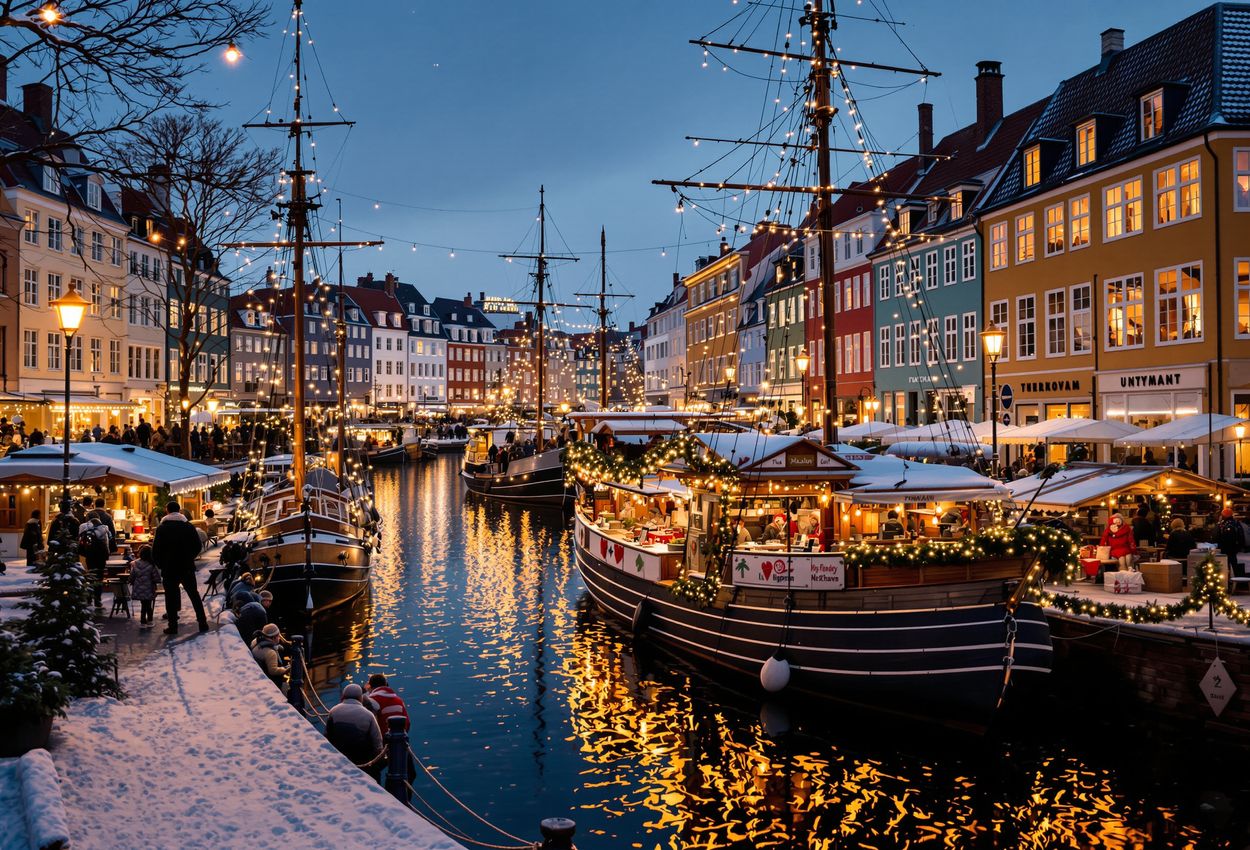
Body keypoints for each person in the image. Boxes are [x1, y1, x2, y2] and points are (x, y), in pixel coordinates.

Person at [151, 500, 208, 634]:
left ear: (167, 510)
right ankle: (202, 622)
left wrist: (161, 564)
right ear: (179, 510)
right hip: (186, 567)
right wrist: (189, 558)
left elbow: (156, 550)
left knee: (170, 597)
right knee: (194, 595)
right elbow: (197, 545)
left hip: (169, 568)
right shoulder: (188, 526)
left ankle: (173, 626)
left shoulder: (162, 528)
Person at [325, 683, 385, 781]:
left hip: (339, 756)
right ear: (360, 698)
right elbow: (377, 742)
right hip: (361, 758)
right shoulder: (368, 715)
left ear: (343, 696)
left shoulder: (333, 711)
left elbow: (327, 735)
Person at [78, 519, 111, 610]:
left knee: (90, 577)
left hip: (90, 558)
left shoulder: (88, 532)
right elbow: (108, 545)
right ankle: (98, 600)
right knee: (99, 578)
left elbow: (81, 547)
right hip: (101, 559)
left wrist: (86, 555)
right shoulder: (105, 531)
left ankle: (89, 599)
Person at [128, 545, 161, 628]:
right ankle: (149, 621)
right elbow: (157, 578)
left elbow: (132, 576)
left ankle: (143, 622)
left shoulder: (135, 563)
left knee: (143, 604)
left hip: (139, 588)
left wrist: (131, 581)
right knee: (148, 605)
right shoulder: (152, 564)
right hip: (149, 588)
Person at [1215, 507, 1246, 579]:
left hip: (1225, 548)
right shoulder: (1236, 523)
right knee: (1234, 563)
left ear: (1224, 515)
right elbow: (1241, 535)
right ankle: (1238, 579)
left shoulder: (1223, 524)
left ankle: (1227, 580)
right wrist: (1241, 546)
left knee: (1225, 565)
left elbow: (1218, 536)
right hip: (1234, 548)